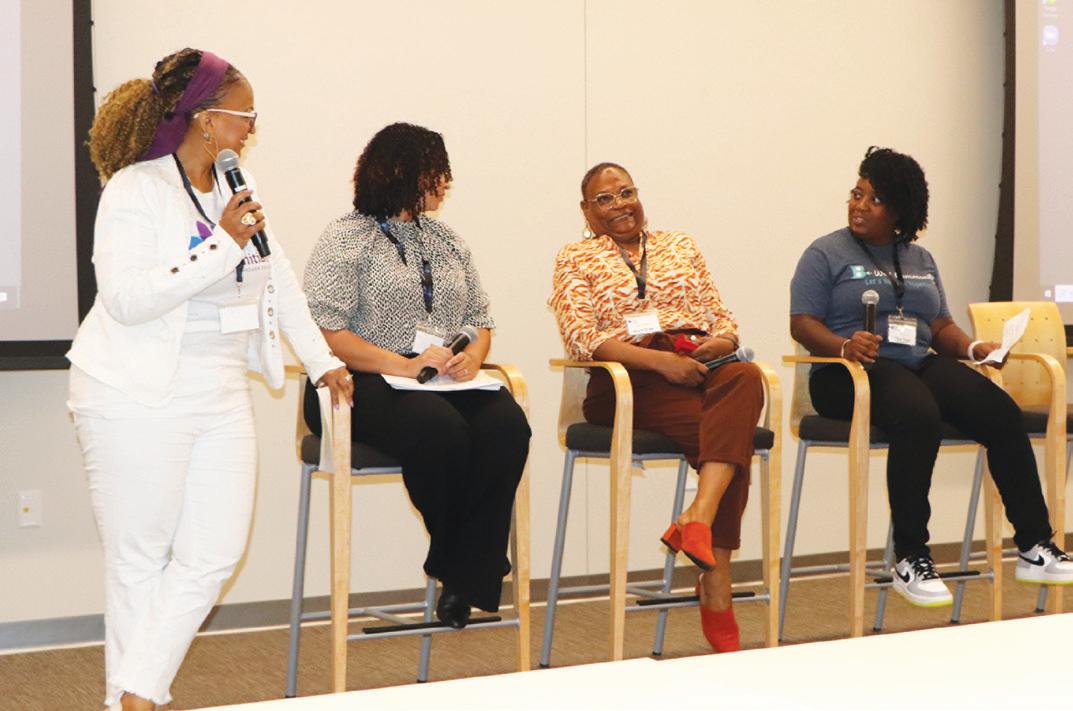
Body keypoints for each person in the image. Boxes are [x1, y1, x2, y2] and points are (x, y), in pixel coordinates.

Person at [69, 48, 352, 711]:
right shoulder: (135, 189)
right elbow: (127, 299)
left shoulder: (235, 186)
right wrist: (221, 244)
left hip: (220, 388)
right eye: (244, 114)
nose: (252, 126)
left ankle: (137, 689)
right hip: (133, 391)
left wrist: (321, 361)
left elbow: (279, 277)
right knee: (140, 560)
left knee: (214, 553)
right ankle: (131, 702)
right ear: (204, 118)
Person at [789, 146, 1073, 607]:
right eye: (856, 194)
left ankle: (1034, 545)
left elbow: (939, 325)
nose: (860, 206)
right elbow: (801, 323)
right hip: (847, 373)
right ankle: (910, 556)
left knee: (1000, 412)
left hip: (915, 364)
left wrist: (975, 349)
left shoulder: (919, 258)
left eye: (874, 199)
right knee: (918, 414)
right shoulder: (825, 253)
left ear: (900, 210)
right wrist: (844, 346)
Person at [302, 122, 530, 630]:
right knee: (438, 429)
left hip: (442, 378)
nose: (445, 182)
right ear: (399, 172)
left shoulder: (447, 240)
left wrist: (474, 355)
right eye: (436, 171)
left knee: (507, 426)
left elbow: (479, 318)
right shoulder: (347, 237)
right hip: (361, 378)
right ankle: (469, 565)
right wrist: (401, 363)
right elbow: (325, 332)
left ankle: (459, 568)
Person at [549, 162, 765, 653]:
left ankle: (697, 517)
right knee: (729, 439)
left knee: (747, 376)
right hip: (627, 379)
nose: (619, 205)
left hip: (696, 363)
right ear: (586, 210)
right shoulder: (576, 257)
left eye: (626, 192)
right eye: (605, 199)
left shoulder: (680, 245)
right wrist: (661, 363)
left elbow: (721, 316)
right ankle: (717, 583)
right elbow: (582, 338)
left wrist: (720, 342)